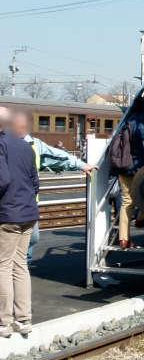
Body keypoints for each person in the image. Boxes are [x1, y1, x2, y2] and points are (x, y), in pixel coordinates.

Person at [10, 112, 97, 264]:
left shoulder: (34, 144)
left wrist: (81, 165)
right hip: (8, 202)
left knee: (32, 237)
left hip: (29, 201)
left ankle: (20, 267)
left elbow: (57, 155)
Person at [0, 108, 39, 336]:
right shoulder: (25, 145)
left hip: (8, 213)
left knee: (3, 266)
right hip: (27, 213)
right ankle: (24, 319)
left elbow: (2, 180)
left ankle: (4, 322)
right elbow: (35, 182)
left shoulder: (1, 145)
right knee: (20, 265)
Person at [117, 100, 144, 248]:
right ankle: (142, 218)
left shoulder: (127, 118)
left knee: (127, 202)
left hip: (123, 164)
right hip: (140, 163)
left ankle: (123, 238)